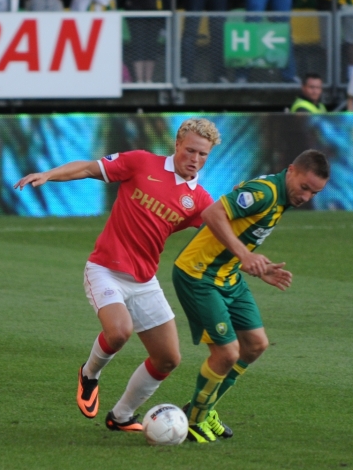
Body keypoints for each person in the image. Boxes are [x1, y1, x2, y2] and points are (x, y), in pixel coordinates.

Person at [14, 119, 222, 433]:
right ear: (177, 145)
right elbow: (87, 168)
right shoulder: (141, 162)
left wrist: (250, 258)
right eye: (190, 150)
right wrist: (48, 175)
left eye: (202, 154)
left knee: (168, 359)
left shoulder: (201, 201)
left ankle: (122, 416)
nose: (195, 158)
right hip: (105, 270)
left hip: (144, 281)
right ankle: (89, 374)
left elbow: (223, 234)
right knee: (119, 332)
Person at [172, 149, 330, 442]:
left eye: (314, 193)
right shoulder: (266, 193)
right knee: (227, 353)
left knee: (256, 345)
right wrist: (244, 254)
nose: (306, 197)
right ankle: (195, 421)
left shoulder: (281, 197)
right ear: (291, 170)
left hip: (227, 275)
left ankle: (206, 408)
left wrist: (259, 267)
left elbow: (241, 226)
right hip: (198, 274)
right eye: (304, 187)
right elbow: (212, 213)